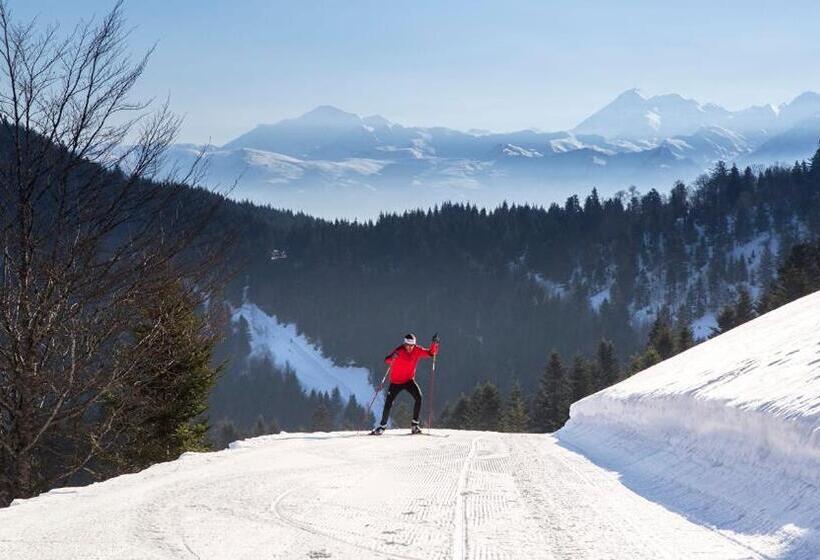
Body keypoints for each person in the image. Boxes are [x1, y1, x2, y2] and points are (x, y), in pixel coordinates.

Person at [370, 332, 440, 435]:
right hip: (395, 382)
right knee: (388, 404)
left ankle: (415, 425)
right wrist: (393, 357)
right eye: (408, 345)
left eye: (412, 345)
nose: (410, 347)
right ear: (404, 344)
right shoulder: (399, 351)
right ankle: (382, 427)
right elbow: (387, 360)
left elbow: (431, 353)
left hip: (408, 381)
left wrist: (434, 344)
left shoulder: (417, 350)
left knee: (419, 397)